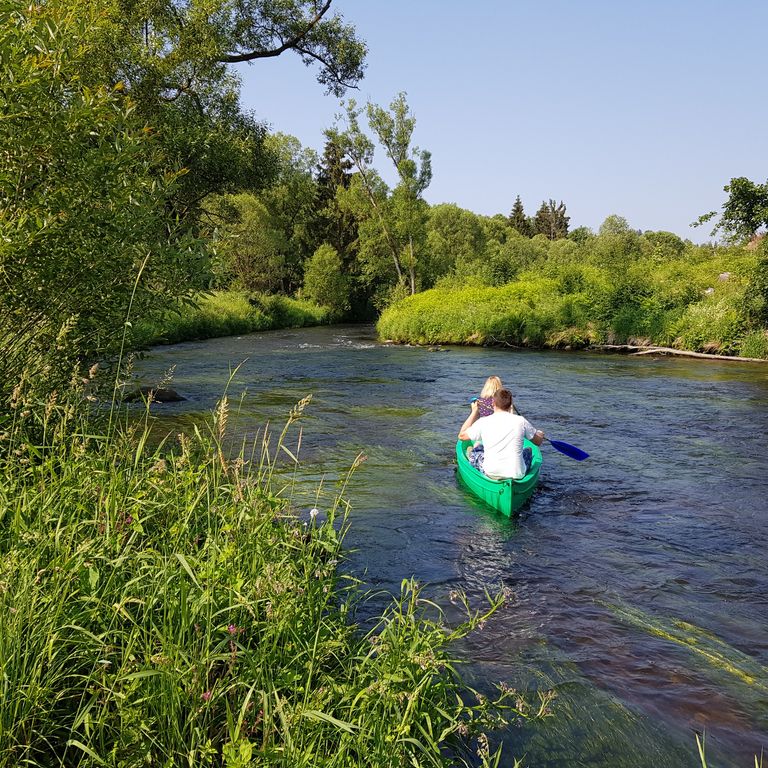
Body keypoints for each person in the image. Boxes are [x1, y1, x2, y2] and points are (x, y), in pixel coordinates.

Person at [458, 388, 544, 480]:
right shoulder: (521, 421)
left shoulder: (484, 422)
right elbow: (537, 442)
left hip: (491, 472)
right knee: (529, 450)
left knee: (476, 450)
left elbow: (461, 436)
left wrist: (474, 412)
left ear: (493, 403)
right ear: (511, 404)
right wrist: (540, 434)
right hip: (517, 473)